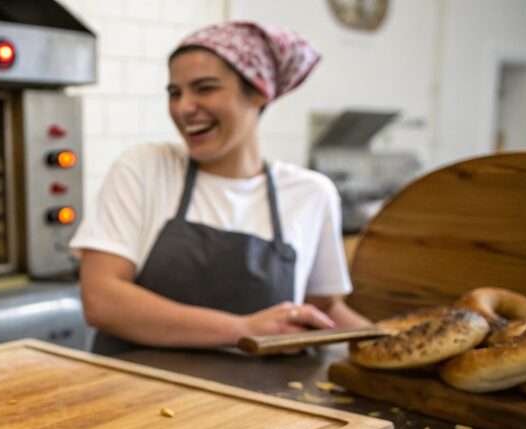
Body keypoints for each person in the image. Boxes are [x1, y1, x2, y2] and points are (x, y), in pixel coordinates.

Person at [70, 21, 370, 355]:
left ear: (259, 92)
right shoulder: (145, 168)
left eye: (204, 88)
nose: (184, 107)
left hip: (255, 399)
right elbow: (102, 299)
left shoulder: (311, 194)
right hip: (133, 395)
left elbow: (322, 311)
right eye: (175, 93)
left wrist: (392, 342)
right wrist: (242, 330)